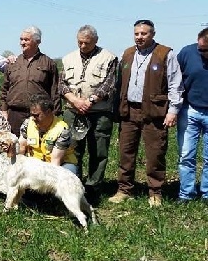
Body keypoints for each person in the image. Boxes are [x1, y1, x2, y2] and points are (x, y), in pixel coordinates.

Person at [109, 19, 183, 207]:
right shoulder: (126, 54)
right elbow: (118, 84)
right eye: (137, 34)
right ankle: (124, 189)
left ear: (153, 34)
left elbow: (175, 84)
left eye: (144, 33)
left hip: (154, 112)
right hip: (129, 111)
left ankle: (155, 192)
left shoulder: (165, 54)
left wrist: (173, 110)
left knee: (155, 153)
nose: (140, 37)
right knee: (126, 152)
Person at [59, 25, 118, 200]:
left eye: (87, 43)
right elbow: (62, 84)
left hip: (99, 112)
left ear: (96, 41)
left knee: (98, 151)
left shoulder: (109, 58)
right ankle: (73, 185)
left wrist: (90, 101)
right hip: (73, 110)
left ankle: (93, 188)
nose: (83, 46)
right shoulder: (68, 58)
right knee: (72, 149)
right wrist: (75, 101)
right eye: (80, 42)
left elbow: (109, 84)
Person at [0, 26, 60, 136]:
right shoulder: (13, 63)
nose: (22, 43)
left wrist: (54, 115)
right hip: (14, 115)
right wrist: (3, 111)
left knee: (36, 149)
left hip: (39, 115)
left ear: (37, 41)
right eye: (21, 39)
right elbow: (4, 90)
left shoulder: (48, 63)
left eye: (26, 40)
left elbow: (55, 91)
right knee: (14, 148)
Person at [176, 27, 208, 203]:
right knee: (186, 154)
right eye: (200, 48)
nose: (201, 53)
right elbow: (174, 80)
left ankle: (206, 192)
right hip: (190, 109)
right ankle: (186, 193)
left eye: (205, 50)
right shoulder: (187, 53)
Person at [18, 93, 78, 174]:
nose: (33, 118)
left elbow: (55, 161)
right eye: (31, 115)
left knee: (69, 170)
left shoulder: (62, 130)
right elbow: (21, 148)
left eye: (36, 115)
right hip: (35, 164)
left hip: (58, 164)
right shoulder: (28, 123)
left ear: (48, 112)